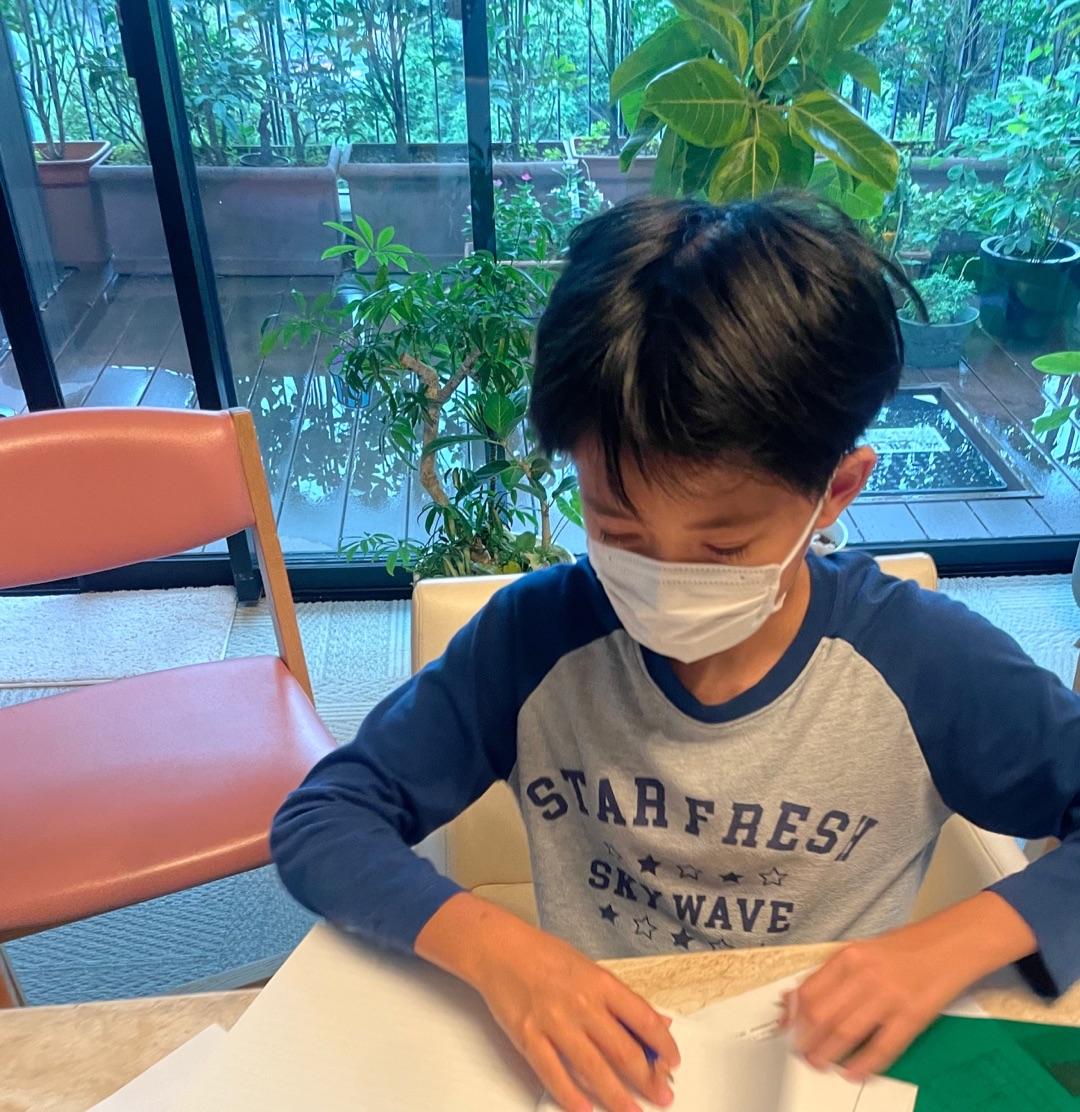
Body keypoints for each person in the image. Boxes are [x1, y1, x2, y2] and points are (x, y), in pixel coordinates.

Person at [272, 194, 1080, 1112]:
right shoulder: (534, 641)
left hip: (819, 1075)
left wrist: (958, 939)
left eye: (723, 548)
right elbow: (322, 821)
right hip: (614, 1065)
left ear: (835, 490)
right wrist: (498, 949)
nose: (664, 580)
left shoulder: (923, 665)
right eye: (617, 530)